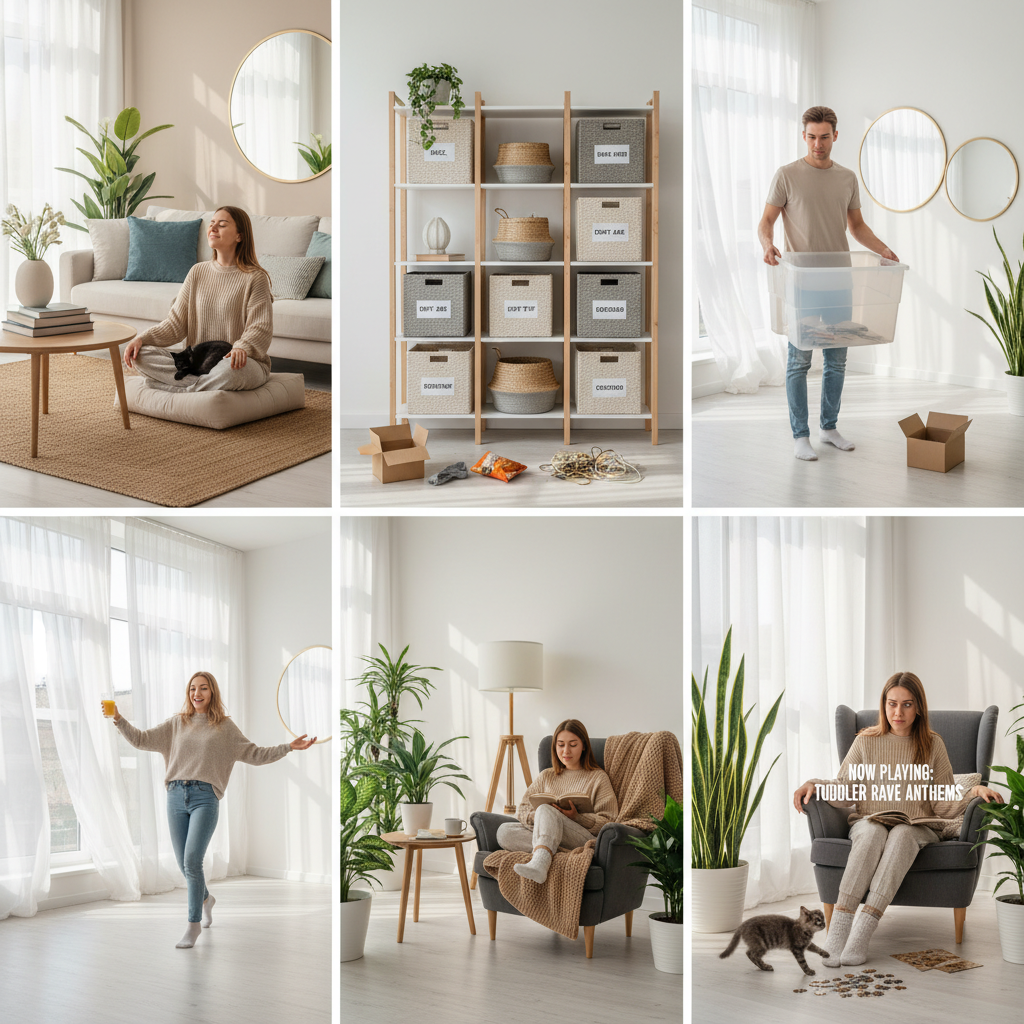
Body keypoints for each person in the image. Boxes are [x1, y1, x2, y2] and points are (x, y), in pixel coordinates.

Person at [793, 671, 1002, 967]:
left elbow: (942, 802)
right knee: (872, 833)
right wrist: (814, 783)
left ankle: (862, 933)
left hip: (919, 826)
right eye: (892, 704)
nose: (898, 712)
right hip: (870, 820)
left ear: (918, 707)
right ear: (884, 705)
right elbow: (845, 789)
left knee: (902, 834)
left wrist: (973, 791)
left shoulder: (932, 743)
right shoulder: (866, 741)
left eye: (906, 704)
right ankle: (838, 931)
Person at [102, 670, 316, 949]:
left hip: (206, 797)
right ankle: (206, 899)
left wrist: (288, 747)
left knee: (192, 861)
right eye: (193, 689)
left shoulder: (225, 728)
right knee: (184, 864)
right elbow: (141, 739)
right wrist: (118, 718)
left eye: (203, 688)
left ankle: (193, 926)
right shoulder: (177, 724)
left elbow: (255, 754)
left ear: (212, 692)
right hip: (176, 795)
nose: (197, 694)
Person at [758, 106, 899, 462]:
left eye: (824, 137)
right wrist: (767, 244)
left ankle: (829, 427)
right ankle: (800, 435)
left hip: (839, 280)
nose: (817, 144)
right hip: (801, 282)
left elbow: (857, 227)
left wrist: (883, 249)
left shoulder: (847, 178)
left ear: (835, 136)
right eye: (811, 137)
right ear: (803, 136)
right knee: (798, 362)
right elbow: (766, 221)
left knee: (837, 361)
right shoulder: (786, 175)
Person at [122, 206, 273, 393]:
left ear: (239, 236)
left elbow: (260, 327)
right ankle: (200, 387)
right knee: (140, 355)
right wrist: (142, 338)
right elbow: (175, 325)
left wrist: (241, 347)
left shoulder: (255, 277)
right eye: (212, 223)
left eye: (222, 224)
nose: (213, 228)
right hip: (198, 365)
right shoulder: (197, 272)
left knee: (229, 372)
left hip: (239, 363)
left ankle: (180, 389)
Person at [495, 719, 618, 884]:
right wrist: (542, 818)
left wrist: (577, 817)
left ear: (584, 746)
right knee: (504, 831)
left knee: (546, 809)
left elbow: (609, 821)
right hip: (553, 836)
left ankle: (541, 859)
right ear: (555, 747)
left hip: (581, 838)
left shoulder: (598, 777)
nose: (566, 750)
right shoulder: (546, 775)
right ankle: (548, 852)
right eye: (561, 745)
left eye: (573, 745)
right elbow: (522, 810)